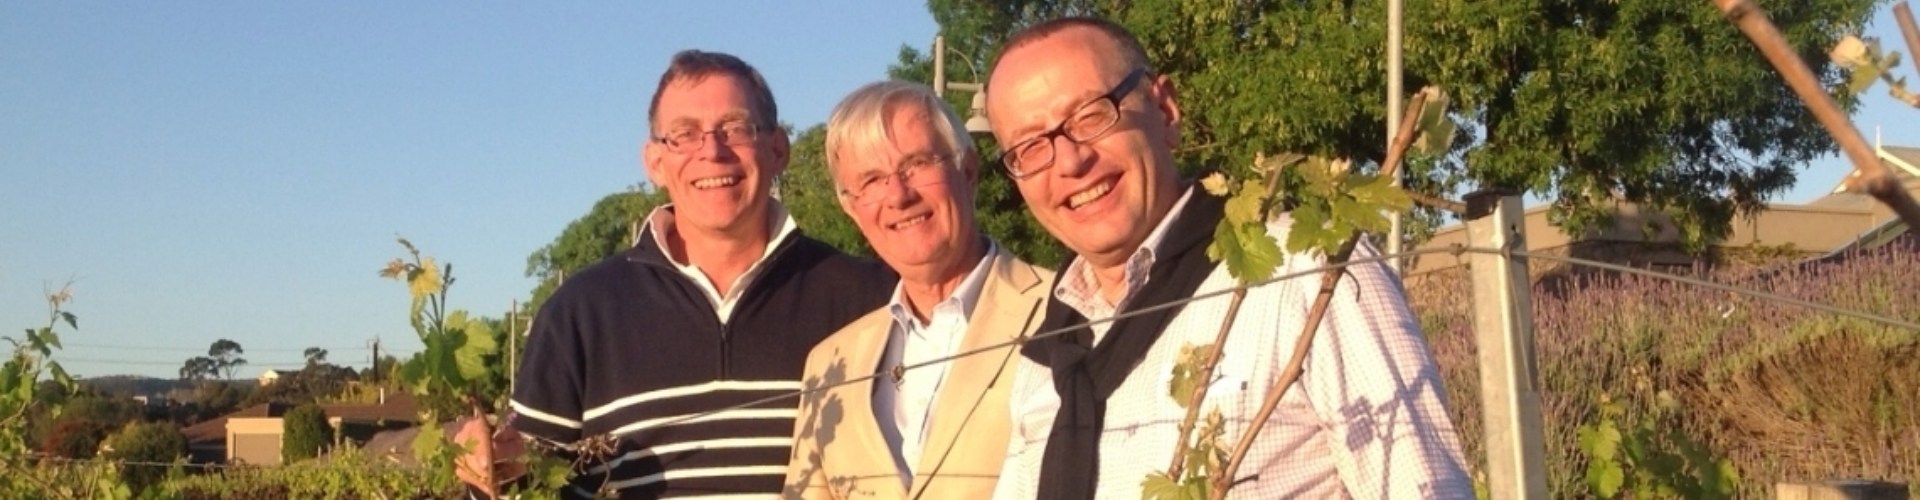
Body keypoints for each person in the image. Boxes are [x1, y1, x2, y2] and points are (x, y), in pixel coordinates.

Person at [981, 17, 1473, 499]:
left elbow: (1429, 488)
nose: (1070, 162)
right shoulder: (1046, 354)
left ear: (1166, 110)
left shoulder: (1305, 273)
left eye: (1091, 115)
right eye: (1029, 147)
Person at [456, 50, 894, 499]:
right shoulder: (580, 314)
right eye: (684, 135)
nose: (712, 151)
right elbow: (520, 485)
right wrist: (489, 469)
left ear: (778, 148)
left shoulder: (872, 299)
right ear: (655, 162)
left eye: (735, 128)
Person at [782, 81, 1051, 500]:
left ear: (967, 170)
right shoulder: (829, 363)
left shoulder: (1066, 312)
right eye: (870, 180)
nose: (898, 195)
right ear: (851, 208)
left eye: (917, 164)